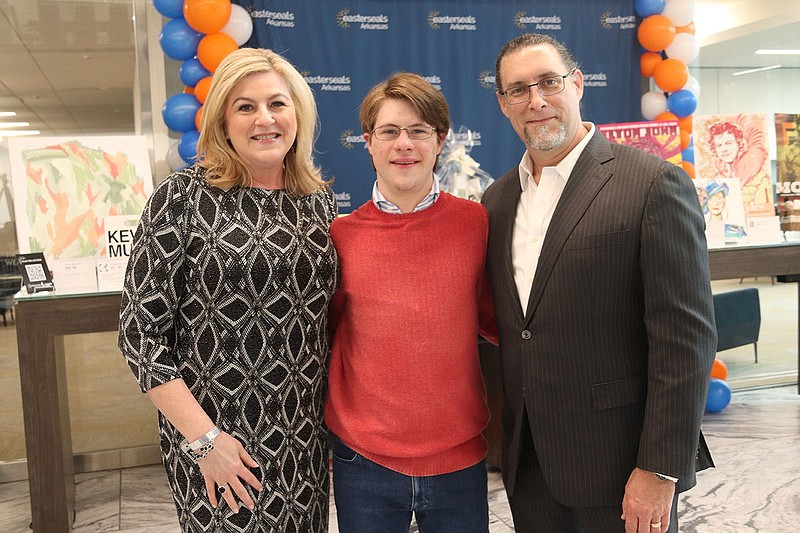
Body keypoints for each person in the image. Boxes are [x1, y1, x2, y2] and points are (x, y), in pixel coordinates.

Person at [482, 34, 716, 533]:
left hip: (621, 470)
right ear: (503, 105)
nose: (537, 101)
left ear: (578, 84)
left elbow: (685, 340)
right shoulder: (496, 201)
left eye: (549, 82)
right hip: (530, 469)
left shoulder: (652, 184)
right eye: (518, 90)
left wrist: (660, 469)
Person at [118, 48, 338, 532]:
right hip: (218, 444)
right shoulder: (181, 198)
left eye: (278, 104)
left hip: (303, 442)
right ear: (222, 119)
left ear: (298, 114)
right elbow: (139, 335)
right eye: (245, 106)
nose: (265, 119)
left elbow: (327, 324)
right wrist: (205, 441)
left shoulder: (317, 202)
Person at [325, 72, 498, 533]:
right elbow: (325, 335)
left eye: (419, 131)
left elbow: (498, 321)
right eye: (389, 131)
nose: (404, 144)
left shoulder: (476, 223)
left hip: (459, 456)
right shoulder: (339, 236)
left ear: (440, 140)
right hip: (364, 459)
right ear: (368, 142)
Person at [706, 119, 772, 215]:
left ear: (739, 144)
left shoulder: (759, 178)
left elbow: (766, 212)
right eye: (719, 145)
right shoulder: (716, 180)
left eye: (728, 143)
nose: (724, 149)